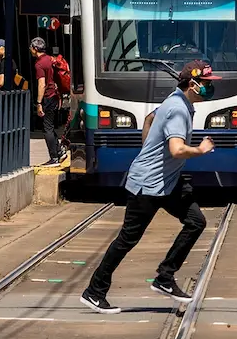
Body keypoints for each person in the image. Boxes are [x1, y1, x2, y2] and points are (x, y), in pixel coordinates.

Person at [79, 60, 219, 315]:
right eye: (207, 83)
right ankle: (94, 292)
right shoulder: (178, 108)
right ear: (192, 84)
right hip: (147, 185)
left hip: (167, 182)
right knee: (127, 240)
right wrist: (201, 149)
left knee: (196, 221)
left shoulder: (177, 101)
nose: (210, 87)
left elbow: (149, 118)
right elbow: (176, 150)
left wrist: (148, 151)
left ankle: (165, 277)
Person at [31, 37, 67, 165]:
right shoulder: (50, 59)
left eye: (31, 47)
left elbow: (41, 84)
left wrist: (39, 103)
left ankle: (54, 157)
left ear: (35, 49)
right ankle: (59, 151)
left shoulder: (39, 64)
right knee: (50, 126)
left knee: (47, 129)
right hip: (56, 95)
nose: (30, 50)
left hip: (48, 96)